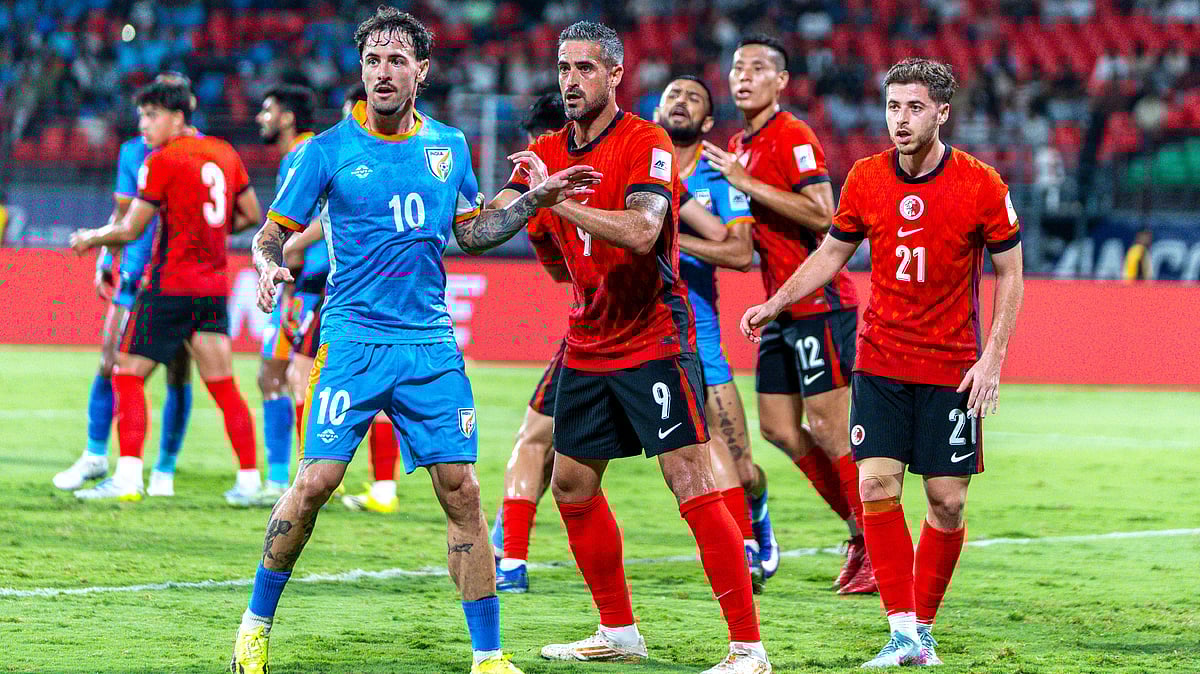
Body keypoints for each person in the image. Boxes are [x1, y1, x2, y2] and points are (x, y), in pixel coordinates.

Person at [229, 7, 592, 672]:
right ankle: (255, 624)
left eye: (398, 60)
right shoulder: (326, 151)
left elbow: (473, 231)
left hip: (429, 345)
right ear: (362, 71)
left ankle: (488, 656)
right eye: (373, 61)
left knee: (464, 492)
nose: (384, 72)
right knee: (315, 483)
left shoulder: (449, 146)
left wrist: (534, 204)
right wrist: (266, 262)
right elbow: (272, 231)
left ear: (421, 71)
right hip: (354, 339)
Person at [487, 22, 771, 673]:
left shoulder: (647, 141)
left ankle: (749, 649)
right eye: (564, 68)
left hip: (653, 338)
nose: (571, 81)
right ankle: (618, 630)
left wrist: (557, 201)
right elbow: (511, 239)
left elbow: (644, 232)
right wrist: (503, 211)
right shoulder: (545, 149)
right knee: (572, 484)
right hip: (588, 341)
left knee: (690, 477)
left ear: (616, 74)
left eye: (585, 68)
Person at [740, 57, 1024, 668]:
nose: (900, 119)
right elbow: (830, 253)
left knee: (946, 502)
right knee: (875, 484)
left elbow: (1010, 271)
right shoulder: (866, 178)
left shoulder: (982, 185)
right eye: (893, 106)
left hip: (952, 366)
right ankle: (901, 632)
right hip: (881, 360)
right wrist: (777, 300)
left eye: (915, 107)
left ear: (942, 112)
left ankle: (923, 626)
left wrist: (994, 357)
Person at [702, 34, 871, 593]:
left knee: (829, 426)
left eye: (757, 68)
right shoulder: (737, 144)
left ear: (781, 81)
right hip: (778, 307)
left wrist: (746, 183)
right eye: (736, 67)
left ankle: (872, 538)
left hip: (821, 305)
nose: (742, 76)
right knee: (777, 427)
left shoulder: (792, 134)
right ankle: (857, 526)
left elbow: (827, 214)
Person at [68, 78, 263, 502]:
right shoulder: (225, 152)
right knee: (223, 384)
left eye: (151, 115)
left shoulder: (163, 159)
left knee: (126, 373)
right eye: (142, 115)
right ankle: (250, 480)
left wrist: (91, 239)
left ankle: (129, 475)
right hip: (213, 287)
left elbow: (131, 227)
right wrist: (209, 231)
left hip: (170, 286)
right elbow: (251, 214)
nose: (144, 124)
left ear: (177, 117)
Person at [653, 75, 772, 591]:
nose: (680, 102)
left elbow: (742, 253)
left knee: (740, 468)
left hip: (698, 332)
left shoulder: (716, 173)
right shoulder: (641, 162)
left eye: (693, 98)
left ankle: (757, 514)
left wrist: (666, 239)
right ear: (657, 110)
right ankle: (741, 548)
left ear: (705, 122)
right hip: (641, 331)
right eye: (672, 94)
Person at [54, 72, 196, 498]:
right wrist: (105, 257)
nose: (147, 121)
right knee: (109, 360)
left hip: (177, 276)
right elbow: (122, 216)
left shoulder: (199, 152)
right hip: (135, 272)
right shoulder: (132, 152)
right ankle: (96, 454)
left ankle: (165, 471)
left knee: (177, 372)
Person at [488, 91, 570, 593]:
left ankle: (511, 559)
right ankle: (749, 542)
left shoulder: (537, 191)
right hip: (668, 324)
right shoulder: (632, 159)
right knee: (693, 458)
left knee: (534, 439)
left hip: (598, 330)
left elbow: (559, 271)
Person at [231, 84, 319, 507]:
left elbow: (313, 222)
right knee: (287, 378)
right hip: (308, 283)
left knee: (275, 376)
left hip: (307, 286)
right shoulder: (306, 153)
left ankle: (286, 479)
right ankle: (295, 477)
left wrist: (285, 256)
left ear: (287, 117)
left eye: (267, 110)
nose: (259, 118)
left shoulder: (303, 155)